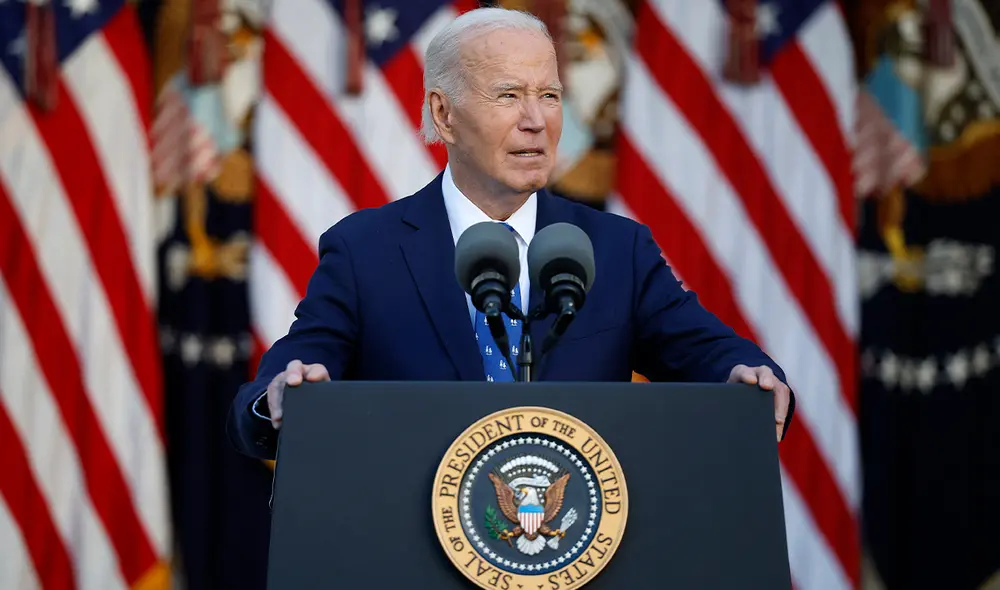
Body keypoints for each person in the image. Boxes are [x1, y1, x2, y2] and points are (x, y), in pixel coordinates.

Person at [228, 7, 794, 460]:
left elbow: (711, 352)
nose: (537, 120)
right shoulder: (367, 250)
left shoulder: (616, 250)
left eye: (548, 95)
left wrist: (748, 376)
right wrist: (280, 396)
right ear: (444, 115)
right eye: (508, 95)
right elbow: (290, 369)